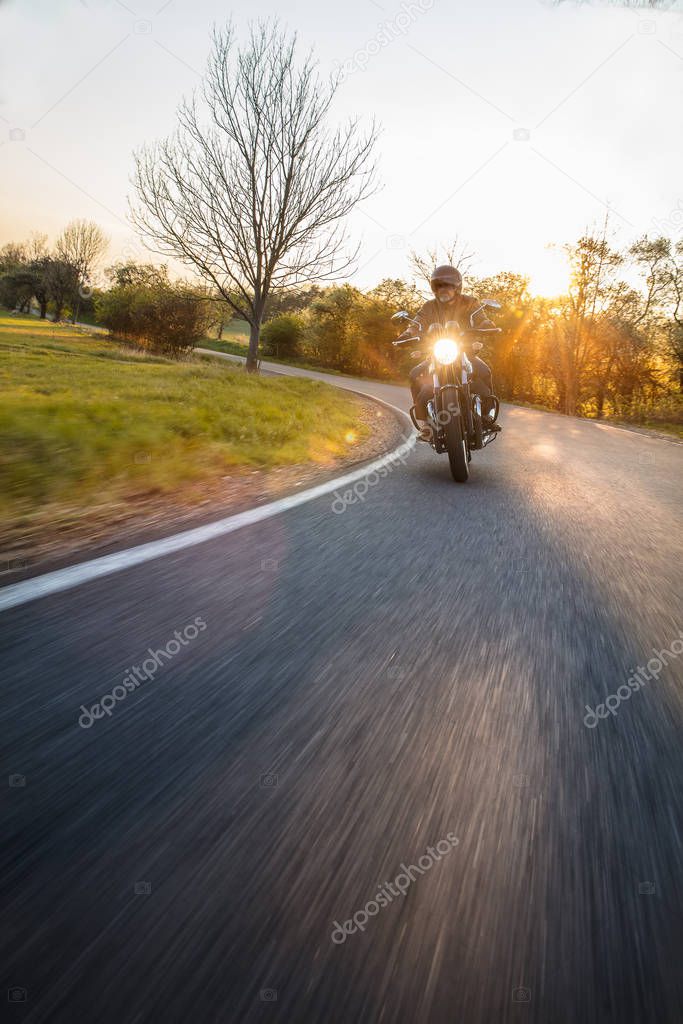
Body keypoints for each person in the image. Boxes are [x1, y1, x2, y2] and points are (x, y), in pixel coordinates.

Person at [405, 265, 502, 438]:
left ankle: (487, 416)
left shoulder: (470, 302)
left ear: (457, 287)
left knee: (484, 372)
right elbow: (417, 323)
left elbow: (481, 318)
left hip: (465, 351)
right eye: (439, 286)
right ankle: (426, 424)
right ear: (435, 288)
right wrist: (408, 333)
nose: (444, 289)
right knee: (414, 374)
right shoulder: (429, 306)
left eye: (448, 285)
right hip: (436, 353)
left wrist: (487, 325)